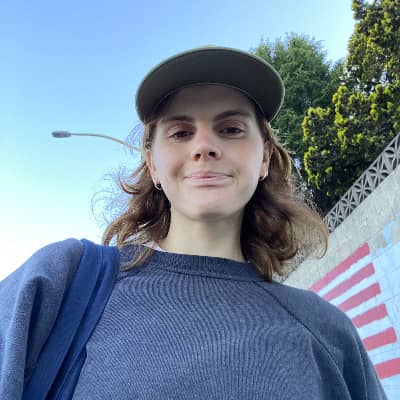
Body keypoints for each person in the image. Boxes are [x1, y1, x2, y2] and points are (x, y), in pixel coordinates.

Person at [0, 46, 387, 399]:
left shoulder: (328, 335)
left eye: (231, 129)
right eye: (181, 132)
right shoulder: (62, 282)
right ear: (153, 165)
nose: (204, 146)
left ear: (265, 158)